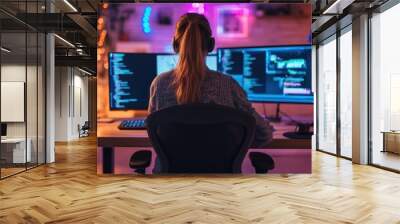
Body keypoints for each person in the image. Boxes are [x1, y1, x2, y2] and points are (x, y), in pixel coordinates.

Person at [148, 13, 273, 148]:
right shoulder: (228, 85)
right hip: (221, 169)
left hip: (170, 169)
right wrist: (239, 143)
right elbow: (264, 134)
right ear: (211, 44)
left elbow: (153, 131)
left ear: (175, 45)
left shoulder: (159, 84)